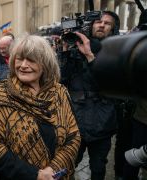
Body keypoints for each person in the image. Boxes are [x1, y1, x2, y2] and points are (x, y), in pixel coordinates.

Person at [0, 35, 81, 180]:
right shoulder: (1, 94)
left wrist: (52, 169)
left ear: (45, 63)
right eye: (19, 59)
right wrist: (35, 175)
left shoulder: (59, 92)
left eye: (31, 60)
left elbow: (73, 136)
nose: (23, 65)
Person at [59, 11, 120, 180]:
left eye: (107, 23)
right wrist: (64, 50)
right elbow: (61, 81)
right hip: (75, 119)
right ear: (90, 25)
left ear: (113, 29)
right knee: (68, 164)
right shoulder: (75, 48)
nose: (101, 25)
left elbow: (110, 85)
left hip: (102, 121)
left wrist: (90, 56)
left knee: (98, 167)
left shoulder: (116, 52)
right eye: (98, 21)